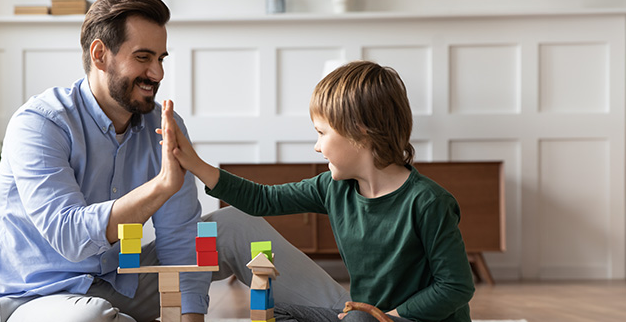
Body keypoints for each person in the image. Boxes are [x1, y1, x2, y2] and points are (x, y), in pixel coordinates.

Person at [0, 0, 350, 322]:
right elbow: (70, 237)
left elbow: (179, 237)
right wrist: (161, 187)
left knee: (237, 225)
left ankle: (356, 316)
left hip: (120, 283)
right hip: (35, 297)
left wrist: (191, 315)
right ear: (100, 55)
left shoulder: (164, 126)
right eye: (143, 57)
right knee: (91, 317)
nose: (156, 72)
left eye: (161, 58)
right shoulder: (40, 124)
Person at [165, 60, 476, 322]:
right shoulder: (334, 188)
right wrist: (194, 163)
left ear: (360, 131)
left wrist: (390, 316)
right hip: (365, 316)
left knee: (359, 318)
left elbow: (456, 286)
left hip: (405, 318)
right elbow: (262, 199)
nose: (317, 146)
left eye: (321, 133)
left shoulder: (427, 202)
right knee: (280, 312)